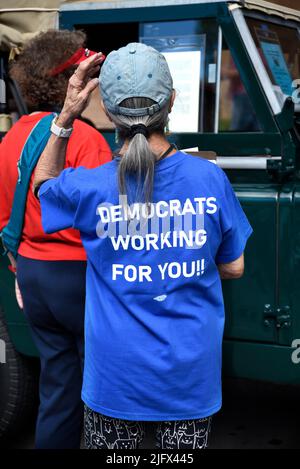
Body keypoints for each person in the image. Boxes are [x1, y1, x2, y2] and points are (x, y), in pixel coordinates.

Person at [34, 43, 253, 450]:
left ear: (110, 113)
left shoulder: (87, 186)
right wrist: (179, 260)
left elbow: (42, 185)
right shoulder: (210, 180)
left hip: (115, 377)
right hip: (189, 376)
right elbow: (235, 266)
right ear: (171, 101)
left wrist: (66, 115)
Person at [0, 30, 111, 449]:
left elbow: (3, 217)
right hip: (78, 277)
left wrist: (17, 270)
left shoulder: (11, 137)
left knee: (57, 385)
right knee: (100, 387)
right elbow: (105, 223)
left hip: (32, 275)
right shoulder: (86, 140)